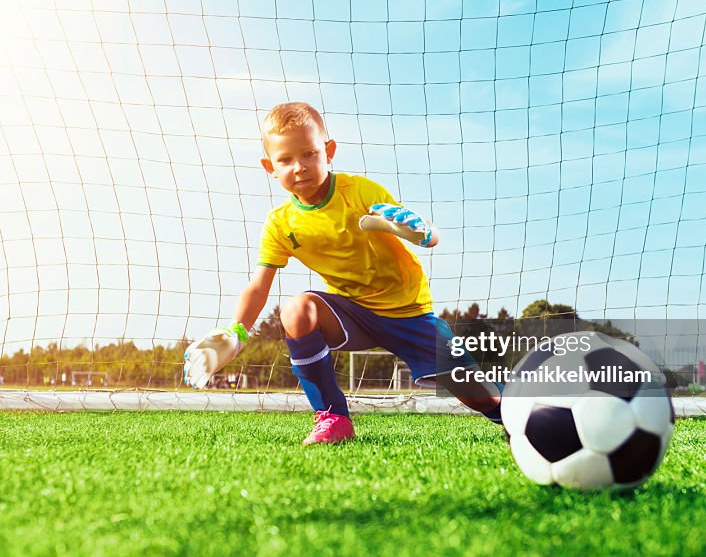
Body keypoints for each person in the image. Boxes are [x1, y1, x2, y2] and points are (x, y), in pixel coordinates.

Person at [184, 102, 501, 445]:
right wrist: (238, 331)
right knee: (296, 310)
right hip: (353, 315)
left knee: (485, 399)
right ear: (269, 167)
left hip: (409, 314)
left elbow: (429, 237)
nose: (299, 167)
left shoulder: (361, 192)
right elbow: (259, 286)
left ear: (329, 151)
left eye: (309, 154)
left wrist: (421, 230)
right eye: (285, 160)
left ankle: (522, 413)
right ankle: (333, 417)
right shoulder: (280, 223)